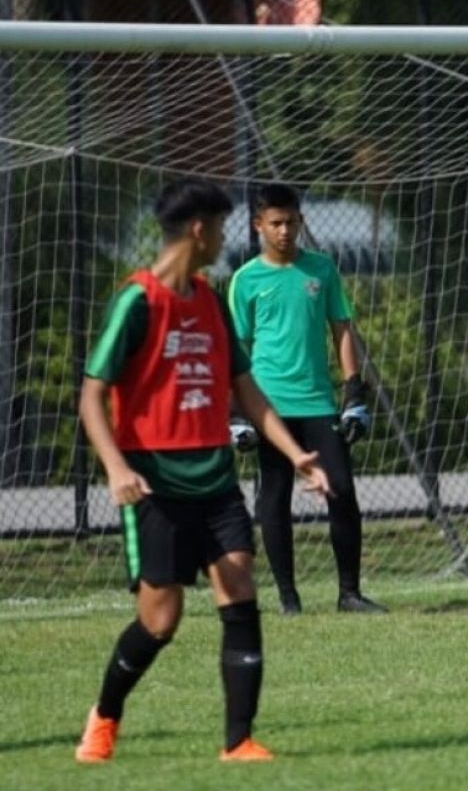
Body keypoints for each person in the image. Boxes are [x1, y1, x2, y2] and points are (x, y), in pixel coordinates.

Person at [74, 178, 332, 763]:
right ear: (198, 230)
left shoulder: (211, 300)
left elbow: (246, 389)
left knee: (239, 585)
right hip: (156, 486)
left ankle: (238, 741)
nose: (224, 239)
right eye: (219, 228)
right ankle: (105, 716)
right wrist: (116, 468)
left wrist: (296, 456)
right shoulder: (137, 301)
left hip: (215, 480)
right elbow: (92, 396)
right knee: (161, 620)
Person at [228, 183, 384, 615]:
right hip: (269, 407)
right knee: (273, 497)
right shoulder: (245, 280)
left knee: (342, 491)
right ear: (258, 225)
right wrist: (236, 413)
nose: (284, 231)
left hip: (318, 402)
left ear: (301, 221)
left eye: (291, 222)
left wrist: (353, 392)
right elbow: (235, 349)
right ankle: (288, 599)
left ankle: (349, 593)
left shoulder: (322, 270)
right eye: (275, 223)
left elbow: (342, 329)